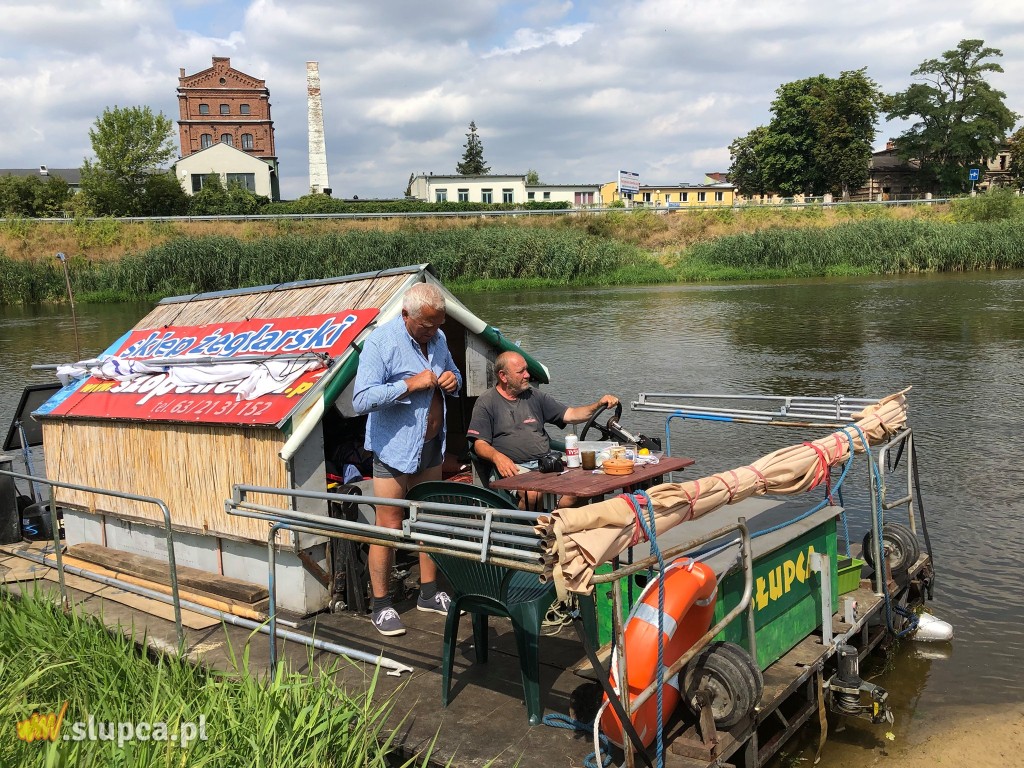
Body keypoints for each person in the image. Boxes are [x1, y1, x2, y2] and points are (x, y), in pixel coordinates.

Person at [352, 282, 463, 636]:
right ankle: (381, 606)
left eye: (438, 324)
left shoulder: (440, 339)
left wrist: (452, 380)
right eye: (427, 325)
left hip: (432, 445)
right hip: (395, 449)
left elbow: (456, 377)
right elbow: (361, 400)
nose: (434, 331)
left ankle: (429, 593)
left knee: (428, 520)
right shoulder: (380, 343)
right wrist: (408, 385)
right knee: (388, 526)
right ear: (406, 315)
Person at [467, 351, 618, 509]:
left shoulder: (534, 396)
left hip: (546, 463)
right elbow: (479, 445)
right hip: (514, 467)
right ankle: (526, 530)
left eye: (527, 369)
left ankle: (555, 522)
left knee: (585, 484)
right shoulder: (486, 402)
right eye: (521, 372)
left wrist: (599, 404)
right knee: (532, 493)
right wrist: (497, 457)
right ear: (503, 376)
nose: (527, 375)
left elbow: (571, 414)